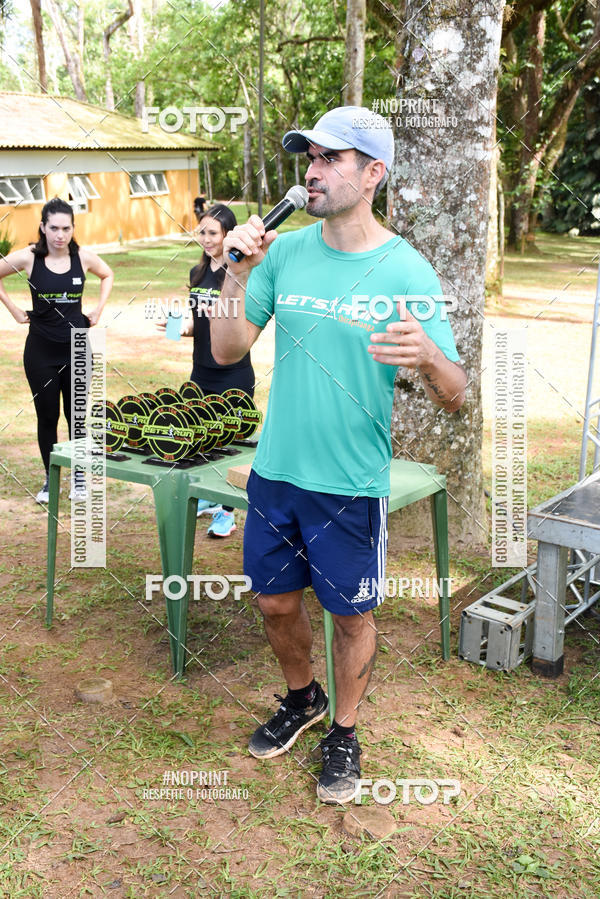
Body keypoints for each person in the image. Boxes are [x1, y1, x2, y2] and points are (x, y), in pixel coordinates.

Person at [210, 106, 467, 804]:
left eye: (330, 158)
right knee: (272, 603)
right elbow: (227, 351)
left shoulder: (404, 267)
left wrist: (430, 360)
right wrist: (233, 274)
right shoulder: (282, 253)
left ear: (373, 173)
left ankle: (345, 731)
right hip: (277, 473)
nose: (312, 171)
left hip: (350, 483)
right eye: (309, 157)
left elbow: (457, 393)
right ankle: (304, 697)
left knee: (350, 615)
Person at [0, 197, 113, 503]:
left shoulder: (83, 259)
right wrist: (13, 310)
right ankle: (51, 481)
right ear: (43, 227)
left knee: (76, 417)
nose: (60, 235)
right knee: (47, 417)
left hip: (77, 349)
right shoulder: (28, 258)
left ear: (73, 228)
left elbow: (108, 275)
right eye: (54, 228)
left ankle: (78, 478)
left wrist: (98, 310)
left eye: (66, 228)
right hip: (40, 352)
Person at [164, 203, 255, 537]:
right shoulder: (196, 273)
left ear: (228, 235)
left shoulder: (238, 274)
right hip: (200, 371)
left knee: (230, 443)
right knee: (201, 438)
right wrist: (177, 326)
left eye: (212, 232)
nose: (205, 238)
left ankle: (228, 513)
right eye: (201, 231)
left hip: (233, 373)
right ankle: (207, 497)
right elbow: (196, 322)